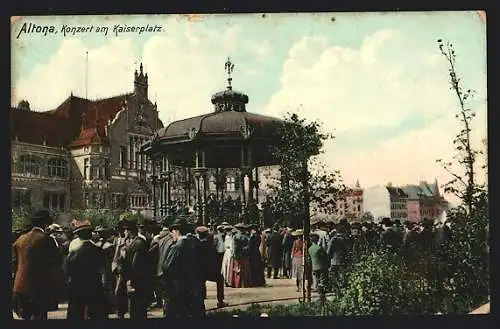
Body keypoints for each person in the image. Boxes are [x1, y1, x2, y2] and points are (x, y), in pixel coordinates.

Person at [12, 209, 61, 320]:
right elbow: (57, 261)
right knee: (39, 318)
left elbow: (14, 263)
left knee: (25, 318)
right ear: (45, 224)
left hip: (19, 286)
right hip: (38, 288)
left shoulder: (20, 239)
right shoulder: (46, 239)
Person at [162, 218, 205, 317]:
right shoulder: (196, 244)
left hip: (178, 288)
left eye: (172, 232)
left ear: (177, 231)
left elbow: (167, 267)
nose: (171, 235)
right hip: (194, 288)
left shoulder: (177, 247)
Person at [65, 219, 107, 320]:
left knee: (76, 316)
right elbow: (103, 271)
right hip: (94, 287)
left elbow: (67, 271)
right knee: (97, 316)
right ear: (90, 235)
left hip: (77, 288)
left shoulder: (73, 253)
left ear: (78, 235)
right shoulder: (98, 251)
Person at [122, 219, 150, 319]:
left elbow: (136, 264)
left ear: (130, 231)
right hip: (138, 281)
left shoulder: (138, 244)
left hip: (137, 282)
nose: (124, 232)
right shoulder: (136, 242)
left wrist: (131, 280)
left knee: (137, 309)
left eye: (125, 230)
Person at [196, 226, 228, 308]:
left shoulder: (197, 245)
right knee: (220, 280)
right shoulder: (211, 244)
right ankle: (220, 301)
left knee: (201, 282)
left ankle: (202, 297)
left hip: (200, 269)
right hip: (211, 270)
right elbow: (217, 255)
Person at [307, 233, 329, 301]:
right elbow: (325, 257)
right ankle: (321, 294)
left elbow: (309, 259)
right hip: (321, 266)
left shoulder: (310, 249)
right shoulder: (320, 248)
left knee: (316, 279)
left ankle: (317, 290)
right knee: (322, 280)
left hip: (314, 267)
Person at [230, 223, 252, 288]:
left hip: (238, 255)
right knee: (244, 269)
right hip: (244, 255)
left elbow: (234, 247)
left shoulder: (235, 236)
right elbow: (248, 246)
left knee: (237, 269)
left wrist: (234, 254)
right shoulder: (246, 237)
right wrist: (244, 249)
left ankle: (236, 283)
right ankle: (243, 283)